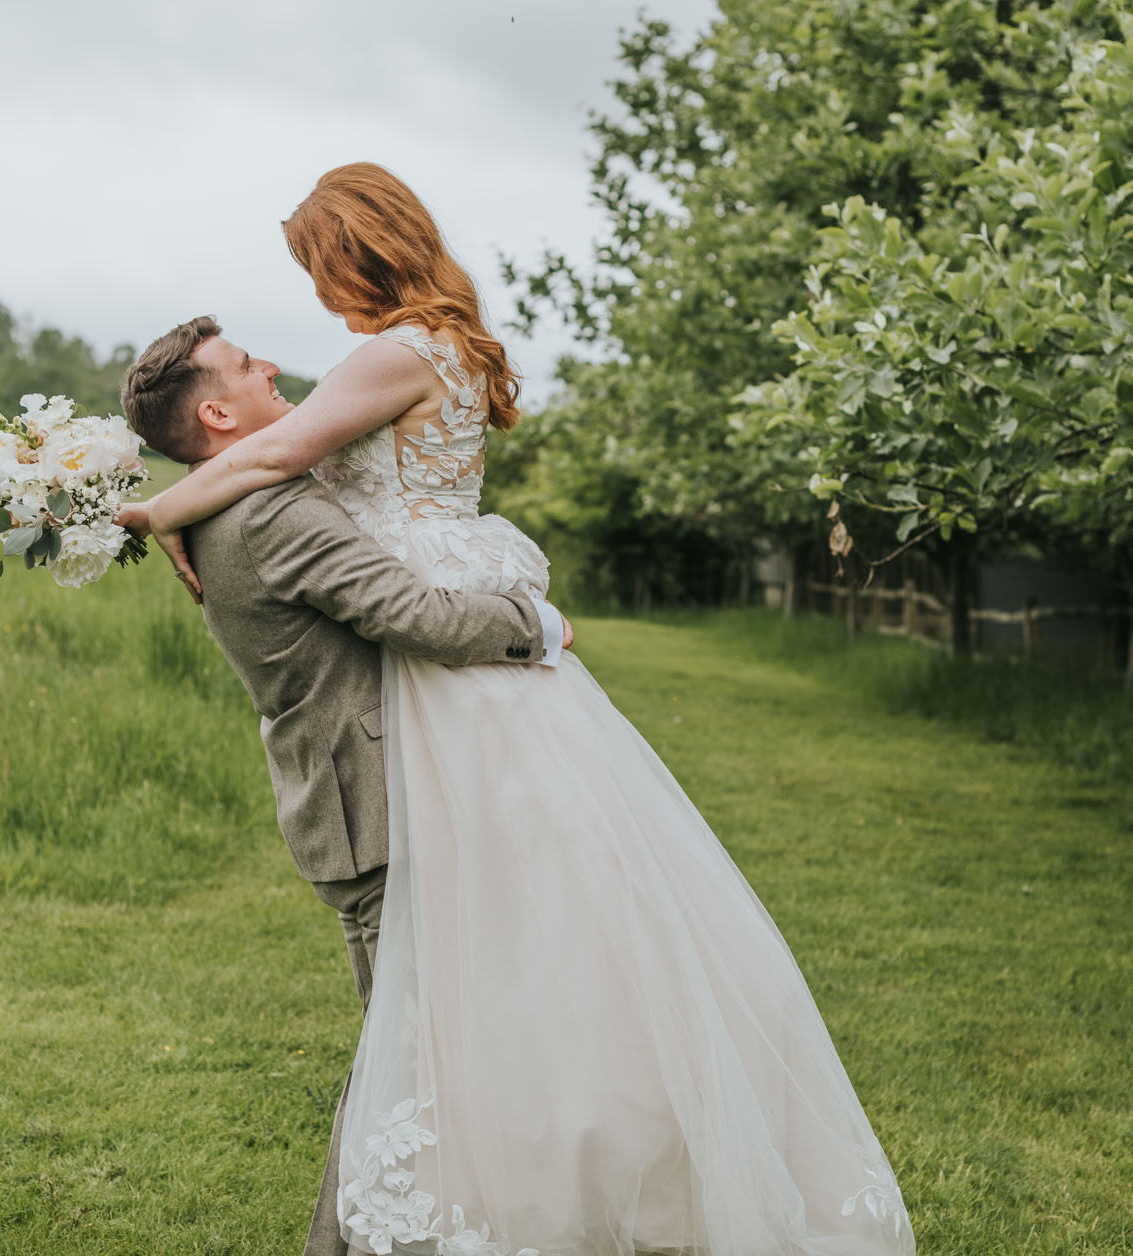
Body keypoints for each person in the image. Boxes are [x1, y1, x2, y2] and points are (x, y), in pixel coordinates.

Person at [125, 164, 915, 1256]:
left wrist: (151, 509)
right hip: (445, 663)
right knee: (523, 963)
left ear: (354, 253)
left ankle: (521, 1185)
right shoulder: (433, 347)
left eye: (316, 267)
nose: (309, 300)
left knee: (469, 991)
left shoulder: (391, 354)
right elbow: (264, 456)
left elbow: (266, 450)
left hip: (446, 668)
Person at [119, 315, 570, 1255]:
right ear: (216, 410)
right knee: (406, 1067)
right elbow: (417, 616)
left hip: (351, 801)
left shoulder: (214, 505)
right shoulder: (273, 511)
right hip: (376, 808)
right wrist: (535, 624)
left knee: (416, 1056)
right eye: (247, 366)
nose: (273, 367)